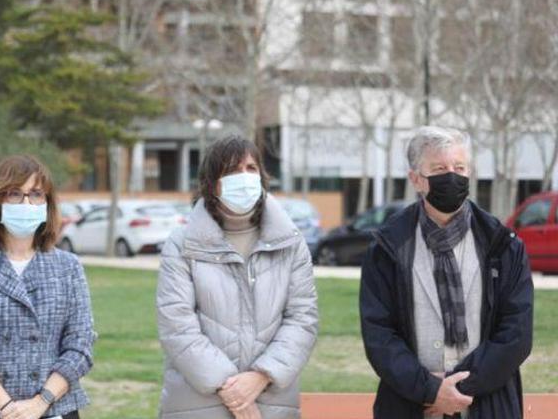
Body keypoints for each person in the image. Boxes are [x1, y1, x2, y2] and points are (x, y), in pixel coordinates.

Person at [359, 126, 533, 419]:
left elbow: (516, 334)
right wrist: (430, 391)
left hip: (488, 408)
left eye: (459, 167)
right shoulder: (386, 249)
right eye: (439, 168)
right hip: (410, 407)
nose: (452, 176)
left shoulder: (504, 246)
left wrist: (459, 389)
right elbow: (380, 336)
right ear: (416, 178)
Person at [156, 135, 319, 419]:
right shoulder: (182, 244)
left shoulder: (290, 243)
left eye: (250, 168)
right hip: (198, 403)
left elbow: (303, 318)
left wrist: (260, 376)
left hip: (271, 402)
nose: (243, 177)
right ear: (212, 183)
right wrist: (233, 390)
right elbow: (177, 325)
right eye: (231, 170)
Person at [0, 155, 95, 419]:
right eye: (15, 194)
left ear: (48, 203)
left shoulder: (68, 267)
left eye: (36, 194)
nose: (27, 203)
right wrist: (8, 408)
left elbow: (81, 345)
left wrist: (41, 402)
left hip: (55, 406)